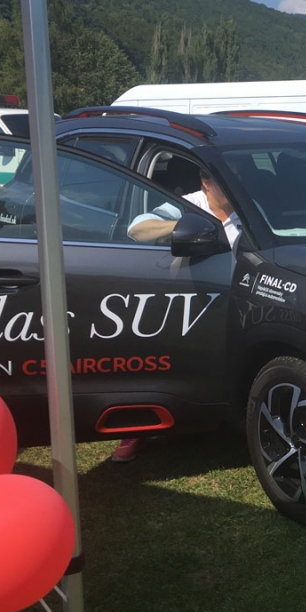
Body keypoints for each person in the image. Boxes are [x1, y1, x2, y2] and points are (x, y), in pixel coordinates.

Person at [113, 168, 242, 462]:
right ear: (205, 182)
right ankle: (135, 427)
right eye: (224, 178)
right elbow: (137, 229)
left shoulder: (247, 207)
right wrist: (187, 226)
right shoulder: (188, 205)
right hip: (187, 299)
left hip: (234, 296)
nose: (233, 183)